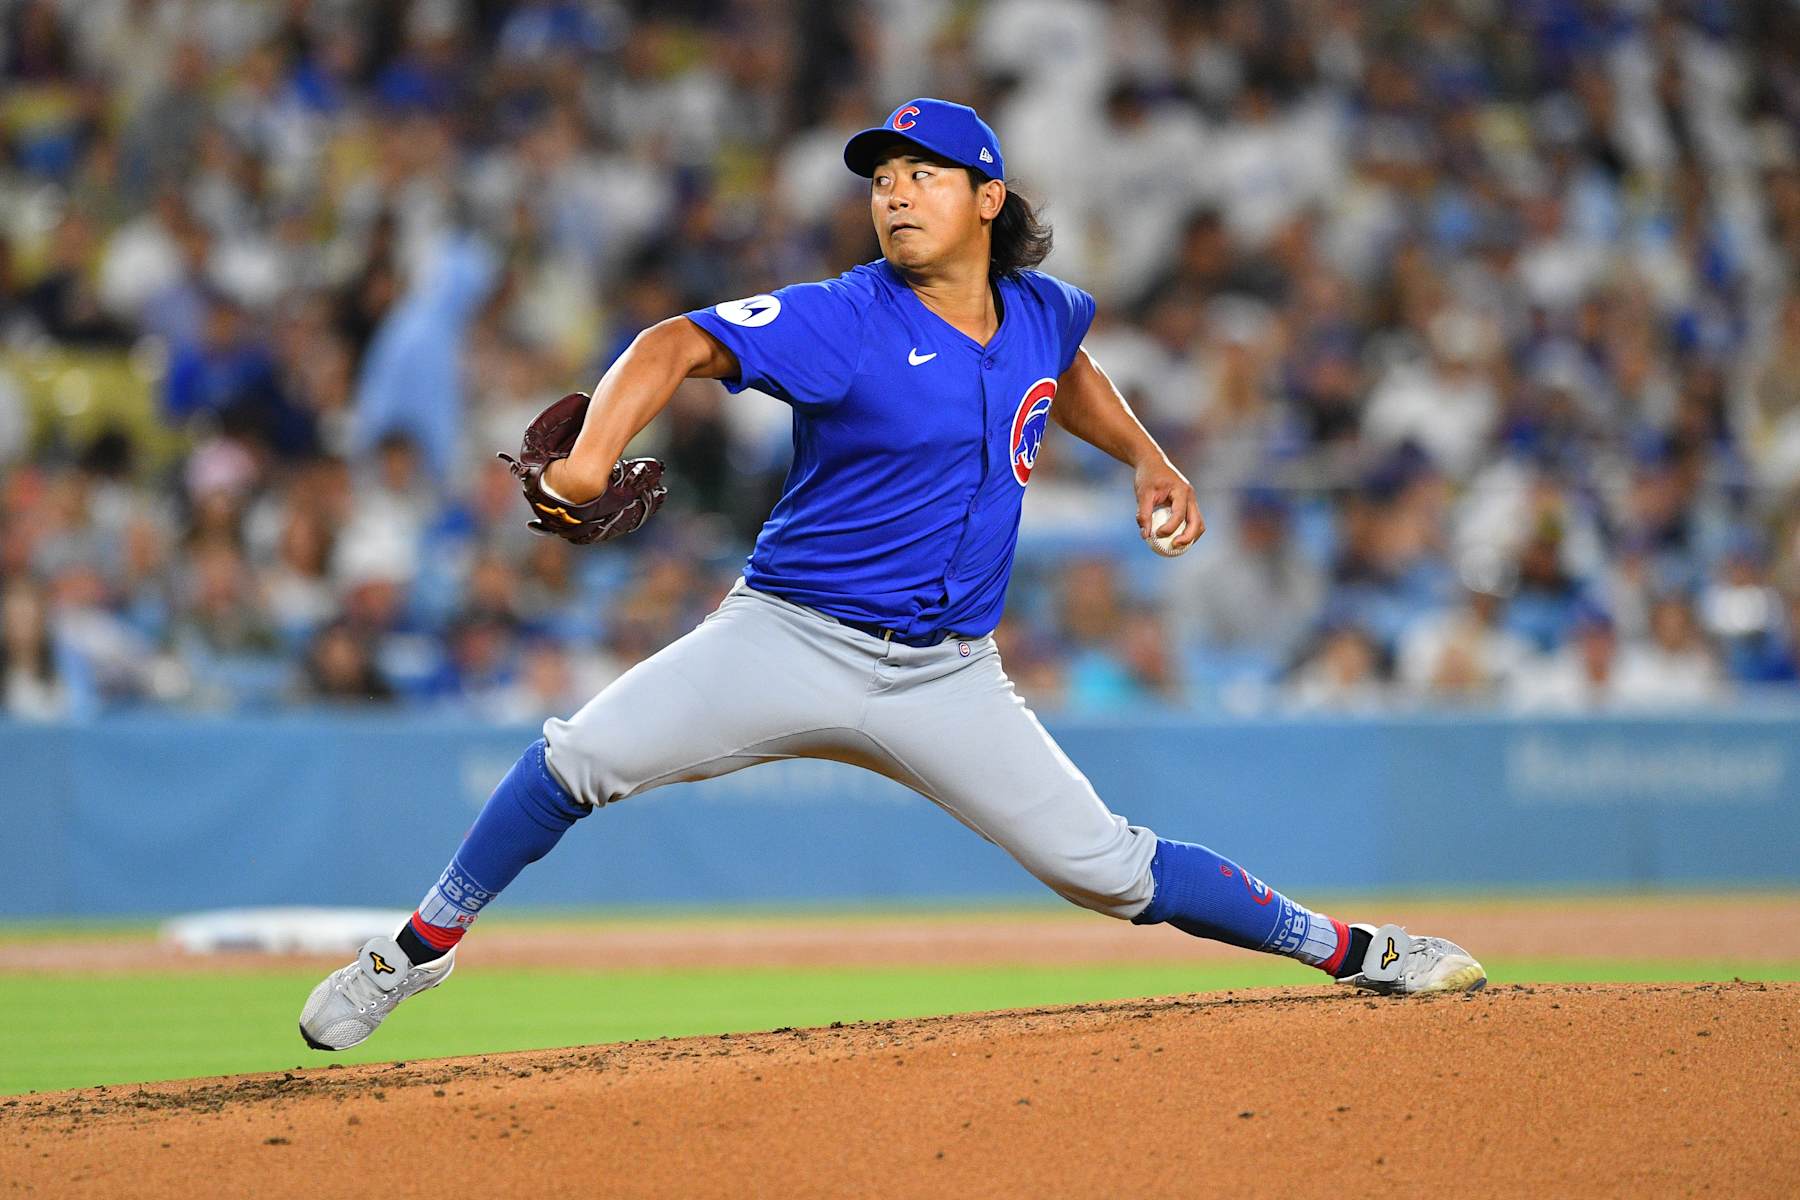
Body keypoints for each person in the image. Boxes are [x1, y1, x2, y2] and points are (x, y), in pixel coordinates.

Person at [300, 99, 1484, 1052]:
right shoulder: (845, 318)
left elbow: (1065, 367)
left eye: (920, 172)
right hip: (789, 637)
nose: (893, 191)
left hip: (949, 678)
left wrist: (1149, 456)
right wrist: (594, 457)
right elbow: (672, 343)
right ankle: (418, 949)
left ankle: (1356, 950)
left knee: (1109, 871)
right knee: (577, 760)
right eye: (880, 177)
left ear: (988, 199)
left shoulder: (1039, 310)